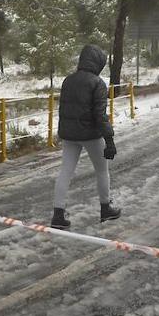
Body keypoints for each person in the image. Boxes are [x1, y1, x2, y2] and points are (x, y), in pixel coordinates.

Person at [51, 44, 121, 230]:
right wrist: (110, 140)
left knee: (65, 171)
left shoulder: (68, 80)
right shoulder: (97, 83)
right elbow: (100, 115)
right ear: (97, 63)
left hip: (69, 135)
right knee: (101, 170)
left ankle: (58, 214)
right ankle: (105, 208)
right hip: (91, 135)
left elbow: (64, 109)